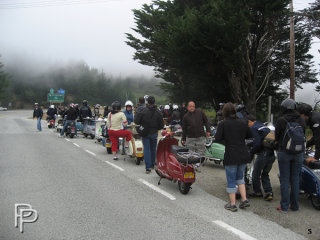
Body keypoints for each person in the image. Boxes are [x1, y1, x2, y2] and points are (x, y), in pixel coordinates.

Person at [215, 102, 252, 212]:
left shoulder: (223, 124)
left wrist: (227, 141)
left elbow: (217, 138)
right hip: (243, 153)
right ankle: (244, 200)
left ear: (224, 112)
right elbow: (250, 135)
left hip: (231, 154)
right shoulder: (243, 122)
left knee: (231, 180)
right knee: (240, 178)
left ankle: (232, 204)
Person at [275, 98, 306, 212]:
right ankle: (295, 206)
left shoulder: (281, 120)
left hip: (284, 152)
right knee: (295, 179)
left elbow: (277, 137)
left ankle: (284, 207)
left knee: (285, 179)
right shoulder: (301, 120)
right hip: (298, 153)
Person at [247, 115, 275, 201]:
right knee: (265, 174)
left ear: (249, 121)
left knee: (256, 173)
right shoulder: (262, 126)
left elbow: (258, 143)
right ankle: (268, 192)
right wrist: (250, 144)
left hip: (263, 154)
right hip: (272, 154)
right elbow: (260, 140)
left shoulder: (253, 128)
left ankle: (257, 192)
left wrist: (251, 152)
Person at [134, 96, 164, 174]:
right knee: (153, 149)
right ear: (154, 102)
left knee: (147, 149)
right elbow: (161, 126)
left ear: (147, 102)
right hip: (154, 133)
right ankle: (152, 165)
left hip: (145, 132)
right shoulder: (158, 111)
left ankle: (148, 168)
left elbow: (136, 121)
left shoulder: (143, 110)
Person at [181, 101, 211, 172]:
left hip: (200, 136)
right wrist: (183, 138)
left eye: (193, 106)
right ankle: (191, 167)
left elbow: (206, 121)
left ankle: (197, 166)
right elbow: (184, 129)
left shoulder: (200, 112)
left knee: (201, 152)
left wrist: (208, 130)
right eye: (190, 106)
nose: (192, 108)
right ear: (187, 107)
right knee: (190, 153)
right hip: (190, 137)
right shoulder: (185, 116)